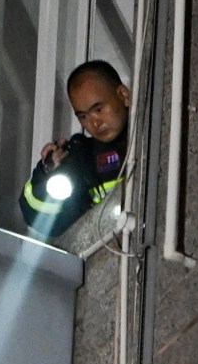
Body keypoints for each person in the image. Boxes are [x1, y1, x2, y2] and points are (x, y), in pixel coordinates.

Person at [20, 60, 131, 240]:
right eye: (84, 116)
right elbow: (38, 218)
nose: (95, 123)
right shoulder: (82, 158)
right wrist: (46, 172)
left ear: (123, 95)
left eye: (99, 109)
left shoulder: (153, 133)